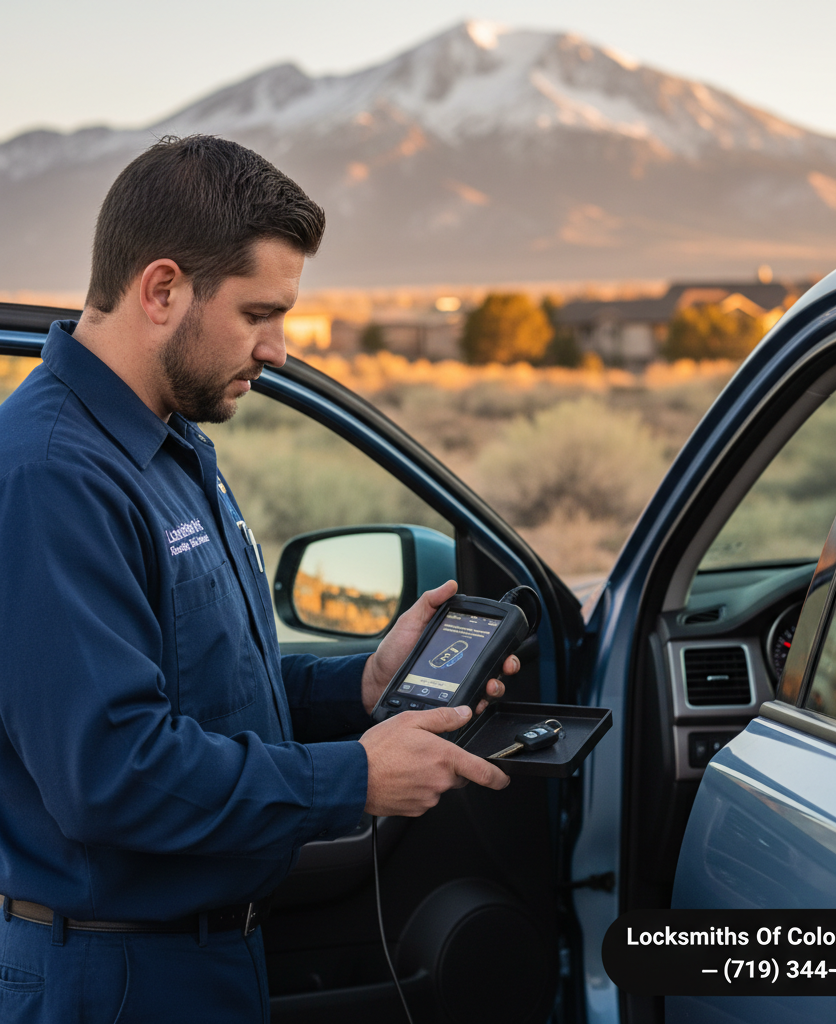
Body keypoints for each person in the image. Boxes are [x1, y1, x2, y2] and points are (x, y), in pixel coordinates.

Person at [0, 135, 515, 1023]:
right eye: (258, 314)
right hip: (116, 980)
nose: (276, 351)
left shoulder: (170, 442)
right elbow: (113, 773)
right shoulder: (54, 475)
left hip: (203, 957)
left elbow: (198, 686)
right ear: (162, 290)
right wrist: (352, 778)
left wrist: (359, 685)